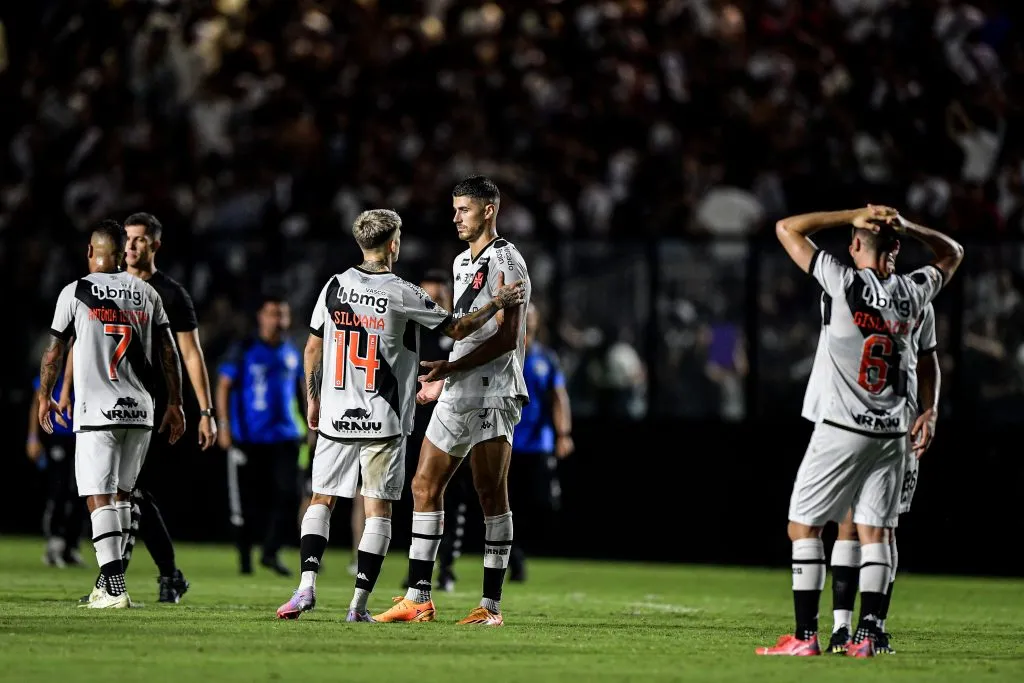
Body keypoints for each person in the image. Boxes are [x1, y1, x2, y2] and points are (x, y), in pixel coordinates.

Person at [275, 208, 526, 622]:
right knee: (378, 510)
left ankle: (305, 587)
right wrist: (497, 302)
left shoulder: (333, 286)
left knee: (322, 499)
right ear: (393, 244)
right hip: (383, 415)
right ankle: (358, 606)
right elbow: (457, 330)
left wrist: (313, 399)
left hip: (336, 410)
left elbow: (312, 348)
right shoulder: (402, 291)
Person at [756, 205, 962, 657]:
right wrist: (907, 225)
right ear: (897, 248)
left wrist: (855, 213)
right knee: (877, 532)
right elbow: (952, 252)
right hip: (894, 432)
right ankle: (865, 635)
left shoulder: (843, 281)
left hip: (842, 425)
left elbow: (786, 228)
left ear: (853, 246)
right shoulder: (915, 293)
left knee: (803, 527)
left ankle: (805, 636)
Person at [374, 176, 532, 627]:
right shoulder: (463, 261)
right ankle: (418, 597)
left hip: (492, 390)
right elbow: (467, 330)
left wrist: (449, 369)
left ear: (488, 210)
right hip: (458, 387)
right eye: (455, 208)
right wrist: (447, 373)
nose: (456, 217)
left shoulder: (508, 261)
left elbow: (506, 338)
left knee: (490, 495)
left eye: (464, 209)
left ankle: (490, 607)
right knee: (424, 486)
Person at [68, 212, 216, 604]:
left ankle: (117, 580)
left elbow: (189, 353)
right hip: (104, 405)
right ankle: (155, 575)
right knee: (129, 495)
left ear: (155, 245)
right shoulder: (102, 289)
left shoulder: (167, 293)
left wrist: (204, 410)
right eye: (127, 240)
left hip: (148, 409)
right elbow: (77, 342)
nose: (132, 246)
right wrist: (66, 388)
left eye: (139, 240)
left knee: (130, 495)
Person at [38, 219, 185, 609]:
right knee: (122, 496)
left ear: (91, 251)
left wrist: (45, 397)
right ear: (123, 254)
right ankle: (107, 585)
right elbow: (170, 353)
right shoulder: (146, 293)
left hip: (97, 411)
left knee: (97, 496)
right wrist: (176, 404)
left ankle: (114, 588)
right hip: (140, 411)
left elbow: (54, 351)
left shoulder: (75, 292)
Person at [826, 300, 940, 655]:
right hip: (853, 422)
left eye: (894, 243)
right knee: (848, 524)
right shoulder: (843, 291)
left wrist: (931, 409)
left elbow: (927, 358)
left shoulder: (917, 301)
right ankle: (842, 629)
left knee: (882, 528)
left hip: (896, 425)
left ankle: (873, 626)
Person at [433, 303, 574, 587]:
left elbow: (559, 396)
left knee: (539, 503)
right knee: (494, 501)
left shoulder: (545, 358)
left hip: (536, 444)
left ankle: (515, 552)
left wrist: (563, 433)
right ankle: (506, 559)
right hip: (500, 436)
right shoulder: (500, 350)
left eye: (532, 315)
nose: (529, 320)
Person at [216, 293, 304, 576]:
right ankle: (244, 561)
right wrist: (224, 426)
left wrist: (310, 422)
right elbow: (224, 385)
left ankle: (270, 551)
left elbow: (303, 387)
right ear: (261, 317)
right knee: (247, 503)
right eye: (273, 314)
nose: (279, 320)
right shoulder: (243, 348)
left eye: (283, 314)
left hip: (285, 436)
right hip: (248, 438)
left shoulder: (292, 351)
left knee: (290, 495)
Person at [27, 370, 85, 567]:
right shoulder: (53, 369)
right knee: (58, 489)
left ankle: (71, 545)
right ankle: (54, 542)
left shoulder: (86, 365)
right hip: (59, 435)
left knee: (82, 492)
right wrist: (33, 437)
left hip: (83, 435)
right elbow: (38, 401)